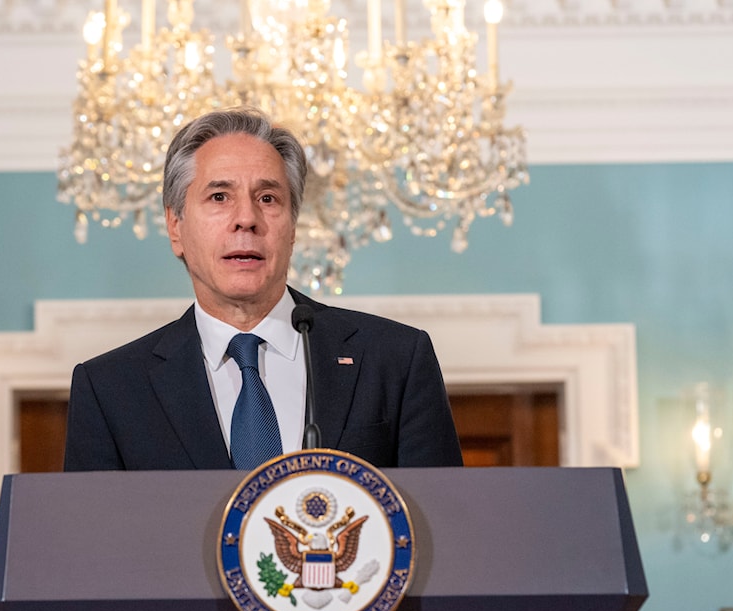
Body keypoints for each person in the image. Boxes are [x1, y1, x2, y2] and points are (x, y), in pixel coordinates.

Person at [63, 107, 463, 471]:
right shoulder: (110, 390)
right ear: (175, 226)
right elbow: (92, 544)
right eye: (219, 197)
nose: (246, 219)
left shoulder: (394, 360)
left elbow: (445, 528)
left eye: (268, 198)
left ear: (292, 226)